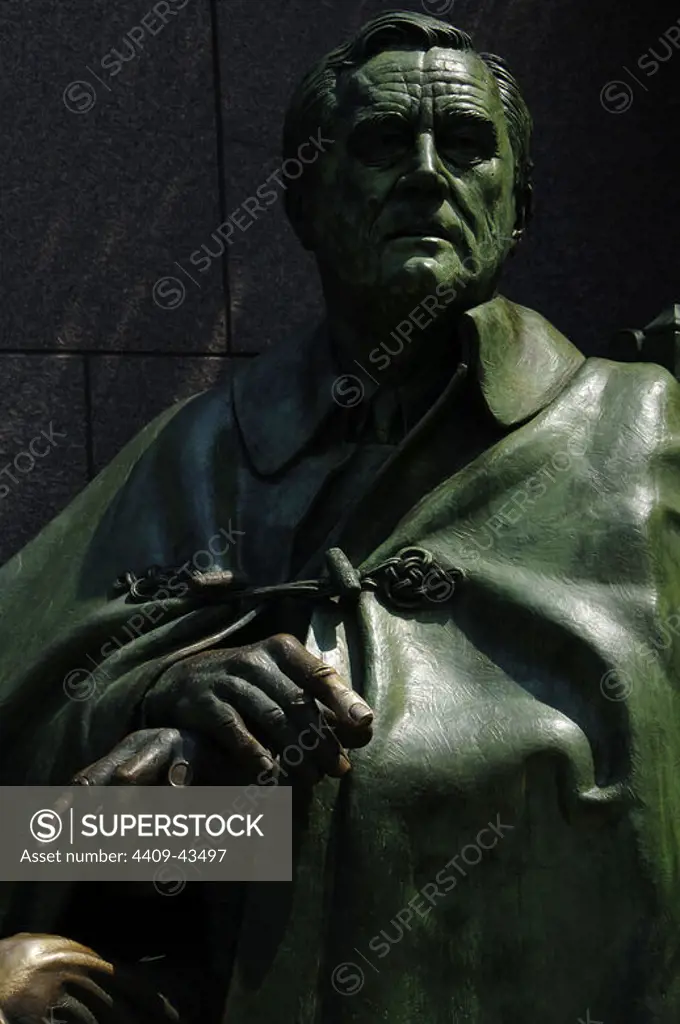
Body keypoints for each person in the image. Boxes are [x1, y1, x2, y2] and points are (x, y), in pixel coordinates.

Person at [2, 10, 680, 1023]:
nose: (423, 171)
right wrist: (149, 706)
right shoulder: (197, 455)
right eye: (378, 144)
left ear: (518, 203)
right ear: (306, 202)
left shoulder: (646, 432)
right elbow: (34, 830)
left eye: (462, 144)